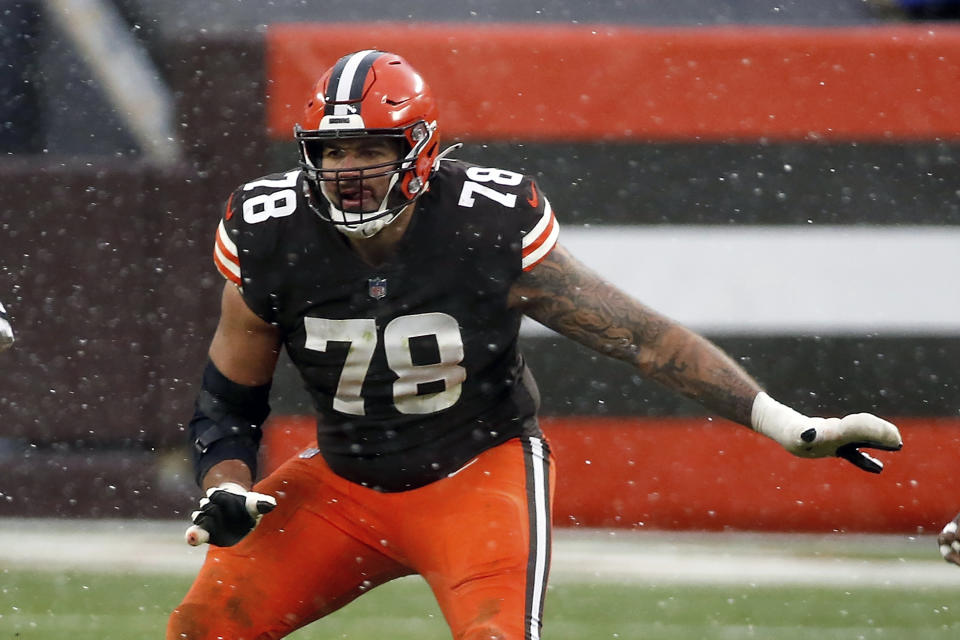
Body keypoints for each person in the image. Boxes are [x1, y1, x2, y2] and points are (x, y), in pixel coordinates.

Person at [167, 50, 903, 640]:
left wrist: (783, 423)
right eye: (331, 153)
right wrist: (223, 487)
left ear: (419, 151)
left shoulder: (484, 224)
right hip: (343, 483)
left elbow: (644, 341)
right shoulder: (271, 231)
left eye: (369, 148)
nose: (347, 172)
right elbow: (227, 403)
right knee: (202, 629)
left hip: (477, 475)